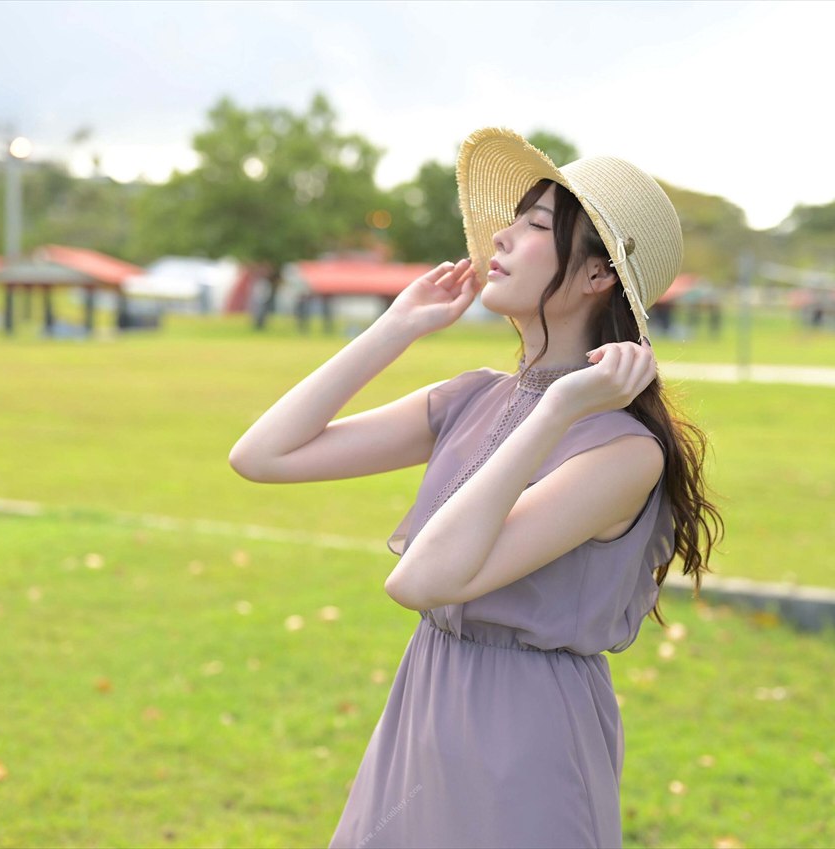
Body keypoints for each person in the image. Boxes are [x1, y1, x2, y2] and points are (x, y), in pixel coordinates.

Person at [229, 127, 724, 849]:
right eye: (513, 218)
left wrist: (556, 409)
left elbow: (421, 580)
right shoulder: (472, 398)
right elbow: (262, 455)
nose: (502, 236)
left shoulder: (622, 452)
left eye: (537, 226)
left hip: (526, 741)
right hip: (422, 710)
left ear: (597, 275)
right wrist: (396, 327)